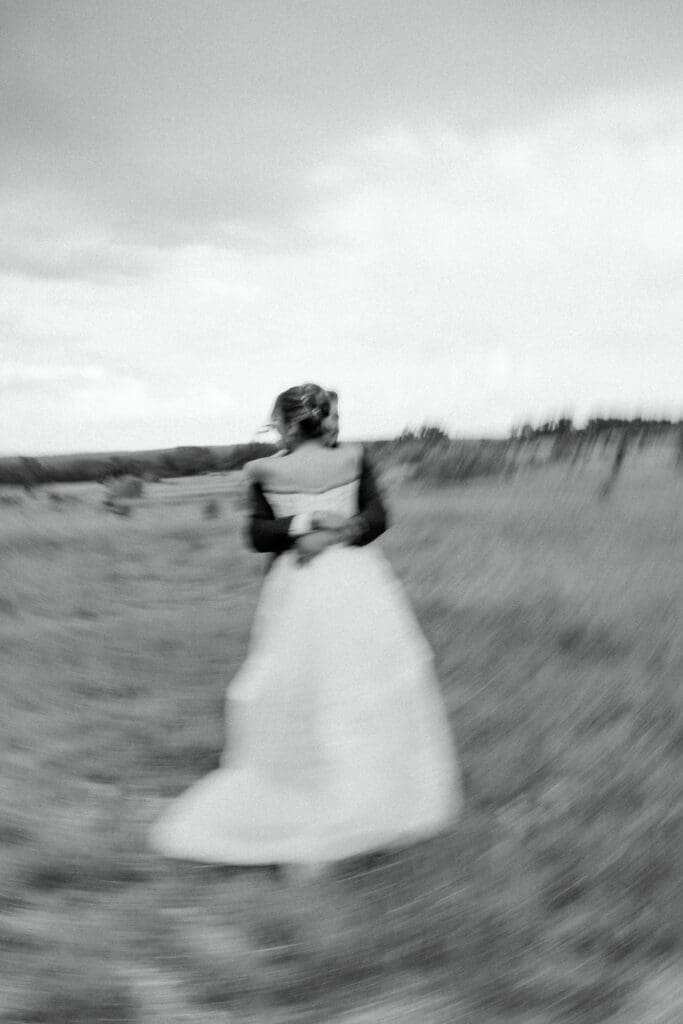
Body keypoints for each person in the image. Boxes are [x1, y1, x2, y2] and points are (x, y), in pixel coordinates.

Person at [150, 383, 461, 872]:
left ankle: (354, 795)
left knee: (345, 685)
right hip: (337, 584)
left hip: (323, 586)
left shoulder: (284, 467)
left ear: (288, 424)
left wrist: (322, 538)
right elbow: (271, 532)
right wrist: (310, 522)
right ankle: (329, 791)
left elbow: (365, 519)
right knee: (319, 684)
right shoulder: (329, 461)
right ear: (317, 420)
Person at [250, 386, 387, 571]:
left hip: (350, 569)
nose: (332, 426)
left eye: (336, 417)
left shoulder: (354, 457)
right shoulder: (269, 470)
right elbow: (259, 534)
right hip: (294, 572)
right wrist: (310, 521)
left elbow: (377, 515)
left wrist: (329, 537)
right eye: (326, 417)